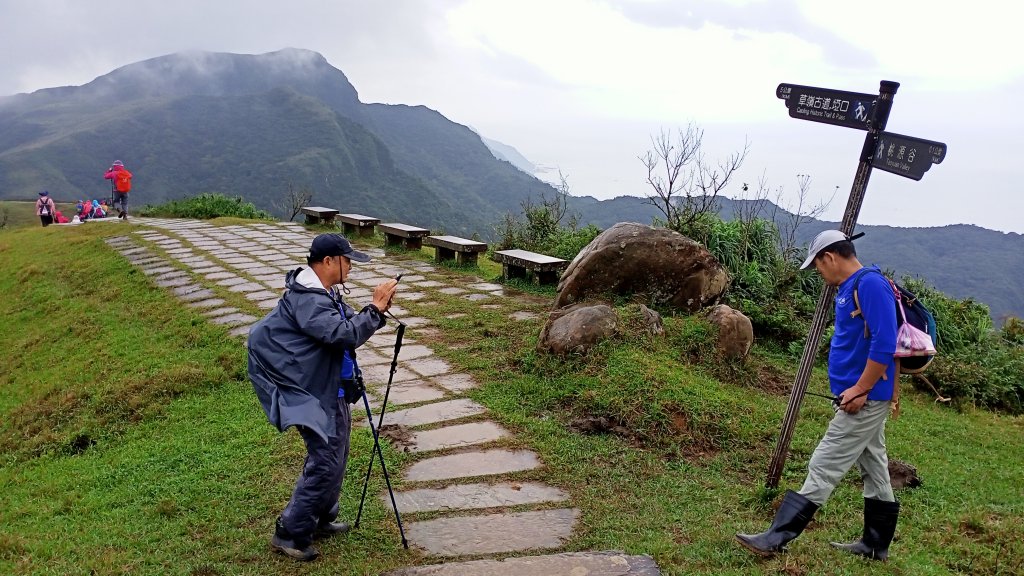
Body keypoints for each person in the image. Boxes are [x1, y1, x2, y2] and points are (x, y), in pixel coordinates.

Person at [736, 230, 900, 561]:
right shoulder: (851, 288)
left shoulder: (869, 284)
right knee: (875, 468)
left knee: (824, 463)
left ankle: (777, 537)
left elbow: (886, 341)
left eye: (818, 267)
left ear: (829, 257)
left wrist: (860, 388)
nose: (820, 274)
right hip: (860, 395)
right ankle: (875, 545)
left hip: (864, 398)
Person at [248, 233, 398, 562]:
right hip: (309, 390)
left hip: (329, 386)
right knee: (326, 459)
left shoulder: (322, 292)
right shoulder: (310, 299)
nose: (351, 268)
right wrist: (374, 309)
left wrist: (376, 312)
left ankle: (320, 517)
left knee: (337, 450)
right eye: (348, 261)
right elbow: (342, 334)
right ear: (328, 261)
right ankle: (290, 532)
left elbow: (345, 321)